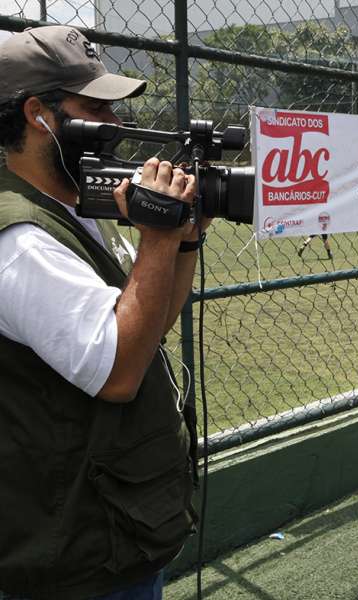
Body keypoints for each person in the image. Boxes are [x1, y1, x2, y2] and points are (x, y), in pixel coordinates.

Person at [0, 26, 203, 599]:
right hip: (75, 550)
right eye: (95, 107)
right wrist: (158, 243)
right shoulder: (19, 237)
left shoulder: (70, 205)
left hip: (113, 523)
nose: (115, 123)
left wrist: (182, 242)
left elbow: (145, 332)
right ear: (37, 113)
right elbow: (117, 375)